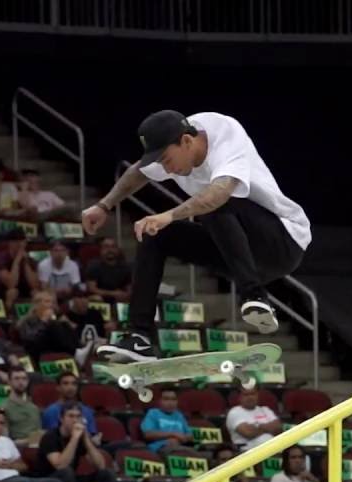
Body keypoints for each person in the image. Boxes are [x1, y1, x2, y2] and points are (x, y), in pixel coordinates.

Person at [87, 110, 310, 362]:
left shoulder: (226, 134)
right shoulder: (173, 149)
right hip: (234, 251)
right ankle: (139, 337)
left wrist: (169, 215)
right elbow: (138, 172)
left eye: (167, 160)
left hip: (282, 241)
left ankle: (255, 296)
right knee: (156, 236)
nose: (166, 169)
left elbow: (220, 193)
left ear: (187, 141)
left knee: (212, 202)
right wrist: (104, 205)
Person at [35, 404, 116, 482]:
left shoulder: (80, 437)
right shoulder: (50, 437)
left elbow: (100, 465)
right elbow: (61, 466)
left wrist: (86, 439)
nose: (75, 420)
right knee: (66, 472)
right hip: (47, 479)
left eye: (78, 416)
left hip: (71, 478)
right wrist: (74, 438)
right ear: (61, 418)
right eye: (71, 416)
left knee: (107, 474)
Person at [16, 290, 80, 364]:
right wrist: (43, 321)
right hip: (37, 350)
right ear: (37, 305)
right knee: (54, 326)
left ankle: (79, 350)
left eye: (52, 302)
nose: (51, 305)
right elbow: (30, 338)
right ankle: (76, 353)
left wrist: (68, 323)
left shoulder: (55, 319)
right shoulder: (27, 321)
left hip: (54, 349)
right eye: (47, 302)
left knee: (63, 324)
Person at [140, 387, 193, 453]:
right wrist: (173, 434)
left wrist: (181, 439)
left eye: (174, 399)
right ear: (159, 401)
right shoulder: (153, 413)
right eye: (166, 399)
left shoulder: (179, 415)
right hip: (160, 448)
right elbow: (148, 434)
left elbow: (190, 435)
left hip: (180, 447)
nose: (170, 403)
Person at [2, 368, 42, 447]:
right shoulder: (3, 408)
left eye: (24, 379)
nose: (21, 382)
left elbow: (38, 433)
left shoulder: (34, 408)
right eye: (16, 378)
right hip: (18, 450)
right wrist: (30, 441)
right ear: (9, 382)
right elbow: (4, 442)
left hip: (37, 447)